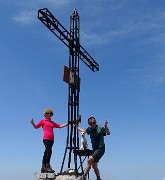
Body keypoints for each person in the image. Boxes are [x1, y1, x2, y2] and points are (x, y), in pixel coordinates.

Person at [30, 108, 68, 173]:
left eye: (50, 113)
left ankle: (43, 167)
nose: (49, 114)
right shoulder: (43, 121)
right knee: (49, 151)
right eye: (48, 113)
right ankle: (47, 166)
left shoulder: (52, 122)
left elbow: (60, 126)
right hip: (46, 138)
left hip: (52, 139)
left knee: (46, 151)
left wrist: (67, 123)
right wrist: (33, 123)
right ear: (45, 114)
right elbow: (36, 127)